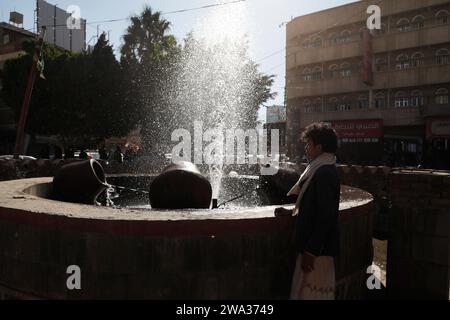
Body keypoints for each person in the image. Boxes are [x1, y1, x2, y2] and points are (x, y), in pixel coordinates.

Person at [274, 122, 340, 300]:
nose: (306, 148)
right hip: (316, 249)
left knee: (313, 293)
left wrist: (311, 251)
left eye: (308, 144)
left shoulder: (324, 173)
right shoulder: (321, 168)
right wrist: (292, 212)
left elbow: (325, 216)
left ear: (319, 147)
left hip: (318, 254)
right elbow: (314, 206)